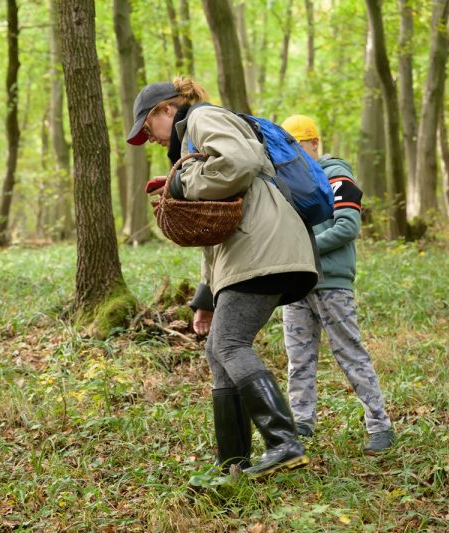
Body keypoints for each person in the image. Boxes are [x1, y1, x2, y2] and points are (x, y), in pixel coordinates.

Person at [127, 78, 320, 478]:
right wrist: (205, 297)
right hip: (249, 251)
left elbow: (240, 164)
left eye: (148, 128)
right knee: (220, 349)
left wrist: (182, 183)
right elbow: (216, 227)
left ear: (166, 109)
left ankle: (284, 442)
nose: (150, 139)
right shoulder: (193, 139)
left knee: (229, 343)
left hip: (265, 246)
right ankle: (233, 461)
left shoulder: (202, 117)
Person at [279, 114, 396, 455]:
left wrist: (305, 252)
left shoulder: (336, 176)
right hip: (297, 282)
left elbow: (347, 226)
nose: (295, 157)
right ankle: (301, 422)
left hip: (331, 282)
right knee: (298, 358)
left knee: (350, 354)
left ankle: (380, 425)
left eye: (300, 147)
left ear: (314, 143)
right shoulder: (291, 184)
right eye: (289, 150)